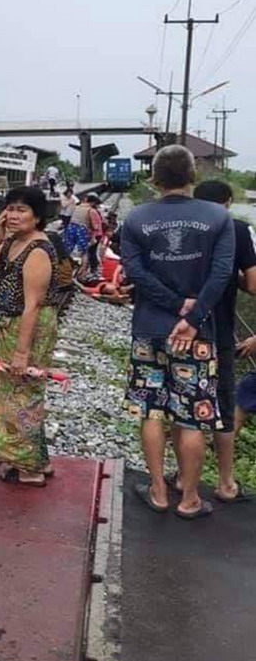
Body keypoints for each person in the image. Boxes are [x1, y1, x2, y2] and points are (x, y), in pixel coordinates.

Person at [121, 146, 235, 520]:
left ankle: (157, 491)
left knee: (151, 410)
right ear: (193, 177)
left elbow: (135, 273)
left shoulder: (136, 219)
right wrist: (193, 313)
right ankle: (188, 499)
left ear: (154, 179)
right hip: (198, 335)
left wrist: (172, 305)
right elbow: (221, 275)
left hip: (150, 329)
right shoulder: (219, 217)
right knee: (192, 416)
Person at [0, 186, 60, 485]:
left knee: (22, 393)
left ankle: (30, 468)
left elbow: (32, 304)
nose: (13, 215)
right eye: (10, 208)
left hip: (27, 328)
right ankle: (35, 459)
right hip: (7, 325)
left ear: (37, 217)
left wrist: (22, 352)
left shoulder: (38, 250)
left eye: (22, 210)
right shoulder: (12, 243)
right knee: (8, 394)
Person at [182, 180, 256, 502]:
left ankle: (183, 480)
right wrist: (232, 278)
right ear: (227, 201)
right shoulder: (237, 228)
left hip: (181, 327)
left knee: (184, 406)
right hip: (220, 330)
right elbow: (253, 284)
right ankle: (226, 483)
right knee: (223, 406)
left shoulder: (182, 226)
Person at [85, 193, 105, 281]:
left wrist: (92, 237)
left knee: (91, 252)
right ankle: (94, 269)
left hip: (95, 235)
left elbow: (95, 226)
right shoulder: (95, 210)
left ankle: (94, 270)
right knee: (92, 252)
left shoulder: (92, 211)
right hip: (97, 234)